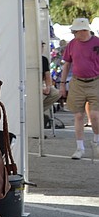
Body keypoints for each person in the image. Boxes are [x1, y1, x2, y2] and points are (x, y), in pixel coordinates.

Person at [59, 17, 99, 159]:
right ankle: (80, 147)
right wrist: (62, 84)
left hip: (95, 81)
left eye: (75, 32)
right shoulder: (72, 44)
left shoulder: (97, 42)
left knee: (95, 115)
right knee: (78, 115)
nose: (74, 34)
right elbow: (67, 65)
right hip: (77, 82)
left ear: (84, 31)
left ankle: (96, 139)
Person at [41, 42, 61, 128]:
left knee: (56, 93)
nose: (42, 48)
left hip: (41, 83)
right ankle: (38, 112)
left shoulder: (43, 59)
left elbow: (47, 75)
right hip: (31, 84)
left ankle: (39, 110)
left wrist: (48, 87)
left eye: (42, 46)